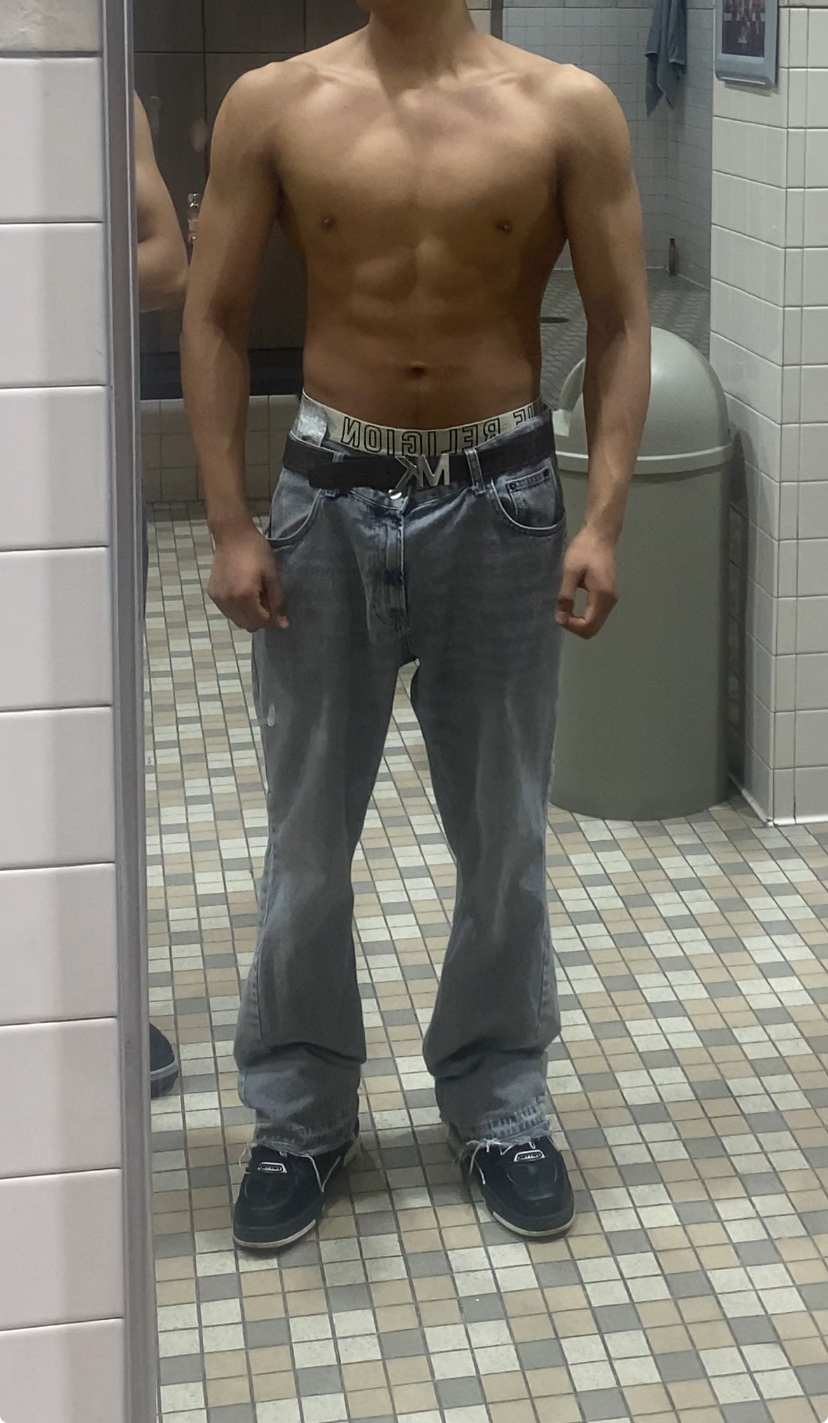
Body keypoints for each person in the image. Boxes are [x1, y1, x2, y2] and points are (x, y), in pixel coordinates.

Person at [181, 0, 651, 1250]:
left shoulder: (566, 109)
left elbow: (621, 321)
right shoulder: (276, 104)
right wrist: (228, 521)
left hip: (503, 499)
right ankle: (300, 1115)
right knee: (306, 837)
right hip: (326, 498)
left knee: (504, 832)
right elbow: (214, 313)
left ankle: (500, 1102)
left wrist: (604, 519)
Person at [135, 93, 189, 1097]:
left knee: (78, 741)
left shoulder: (94, 89)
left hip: (67, 459)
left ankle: (86, 988)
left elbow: (167, 261)